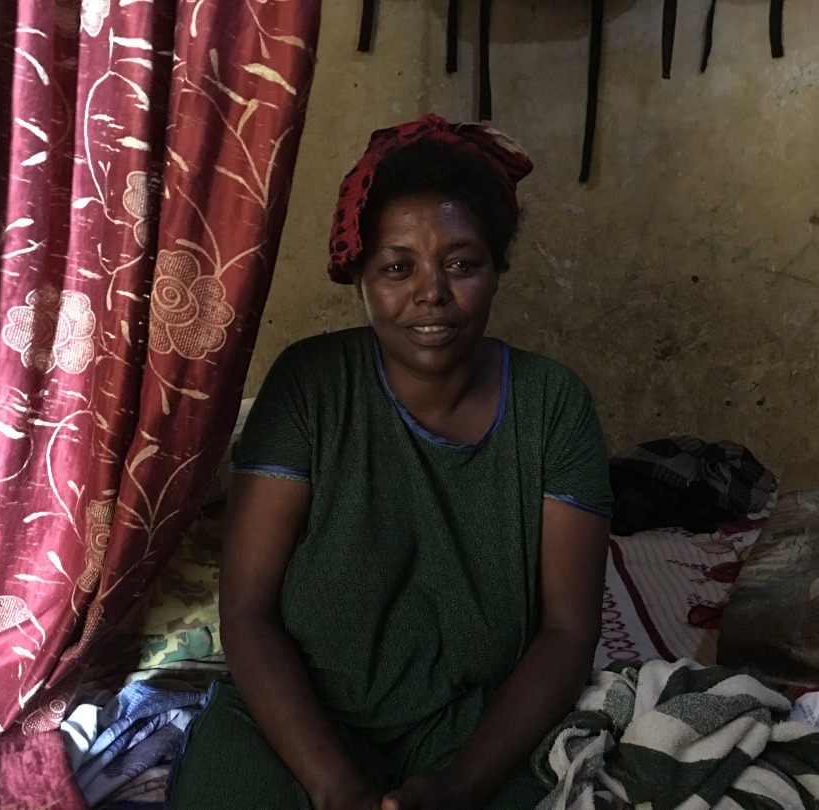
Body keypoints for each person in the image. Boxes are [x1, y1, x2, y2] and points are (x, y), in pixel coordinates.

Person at [167, 114, 613, 810]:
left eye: (462, 263)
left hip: (474, 727)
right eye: (397, 267)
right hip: (295, 719)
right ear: (362, 280)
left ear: (498, 268)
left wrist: (462, 786)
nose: (431, 292)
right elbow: (248, 610)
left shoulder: (553, 406)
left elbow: (567, 631)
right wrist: (333, 786)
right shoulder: (311, 386)